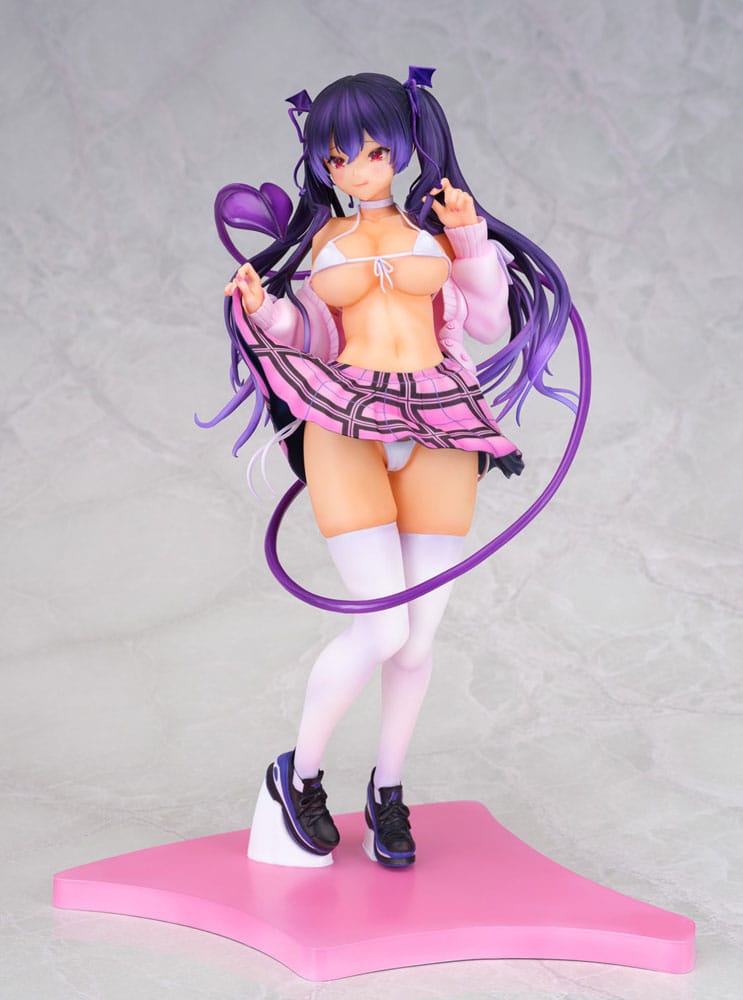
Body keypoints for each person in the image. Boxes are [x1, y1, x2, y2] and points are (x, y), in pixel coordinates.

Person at [207, 69, 575, 868]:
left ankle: (390, 789)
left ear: (405, 147)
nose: (358, 169)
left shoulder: (437, 234)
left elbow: (487, 320)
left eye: (374, 152)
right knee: (383, 624)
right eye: (339, 158)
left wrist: (470, 241)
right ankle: (300, 774)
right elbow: (308, 335)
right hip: (348, 422)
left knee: (417, 638)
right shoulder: (321, 244)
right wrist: (263, 308)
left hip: (441, 421)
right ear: (323, 162)